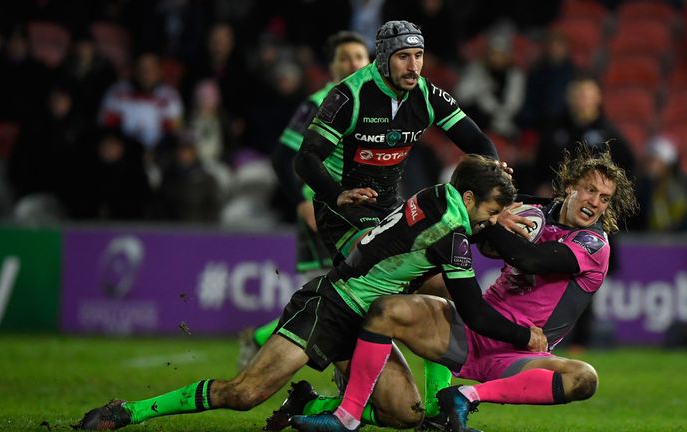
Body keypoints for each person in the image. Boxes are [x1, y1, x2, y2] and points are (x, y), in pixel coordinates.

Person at [71, 155, 546, 431]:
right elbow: (476, 314)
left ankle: (310, 404)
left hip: (370, 318)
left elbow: (469, 218)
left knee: (405, 414)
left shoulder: (442, 196)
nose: (490, 219)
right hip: (332, 305)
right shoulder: (452, 234)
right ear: (470, 201)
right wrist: (525, 337)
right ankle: (127, 411)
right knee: (243, 394)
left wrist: (496, 212)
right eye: (490, 210)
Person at [290, 146, 638, 432]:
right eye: (590, 190)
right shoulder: (535, 212)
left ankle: (465, 396)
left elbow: (529, 259)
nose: (595, 202)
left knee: (584, 378)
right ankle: (347, 416)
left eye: (605, 198)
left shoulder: (594, 244)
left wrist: (488, 219)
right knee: (387, 309)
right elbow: (486, 242)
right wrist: (493, 217)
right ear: (570, 185)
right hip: (474, 329)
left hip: (522, 352)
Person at [293, 19, 504, 422]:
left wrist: (494, 171)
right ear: (385, 58)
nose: (413, 66)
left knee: (442, 283)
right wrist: (336, 193)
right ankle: (344, 377)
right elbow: (306, 158)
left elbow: (477, 142)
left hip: (390, 207)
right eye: (404, 57)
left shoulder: (427, 95)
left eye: (419, 56)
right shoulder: (349, 95)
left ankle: (441, 403)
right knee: (375, 281)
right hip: (343, 212)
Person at [236, 30, 370, 369]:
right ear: (332, 66)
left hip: (363, 209)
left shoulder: (376, 102)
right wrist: (300, 202)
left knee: (342, 295)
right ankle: (346, 382)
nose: (353, 62)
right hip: (324, 209)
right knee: (341, 297)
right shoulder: (320, 102)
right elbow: (283, 156)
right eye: (345, 57)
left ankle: (263, 336)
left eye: (359, 56)